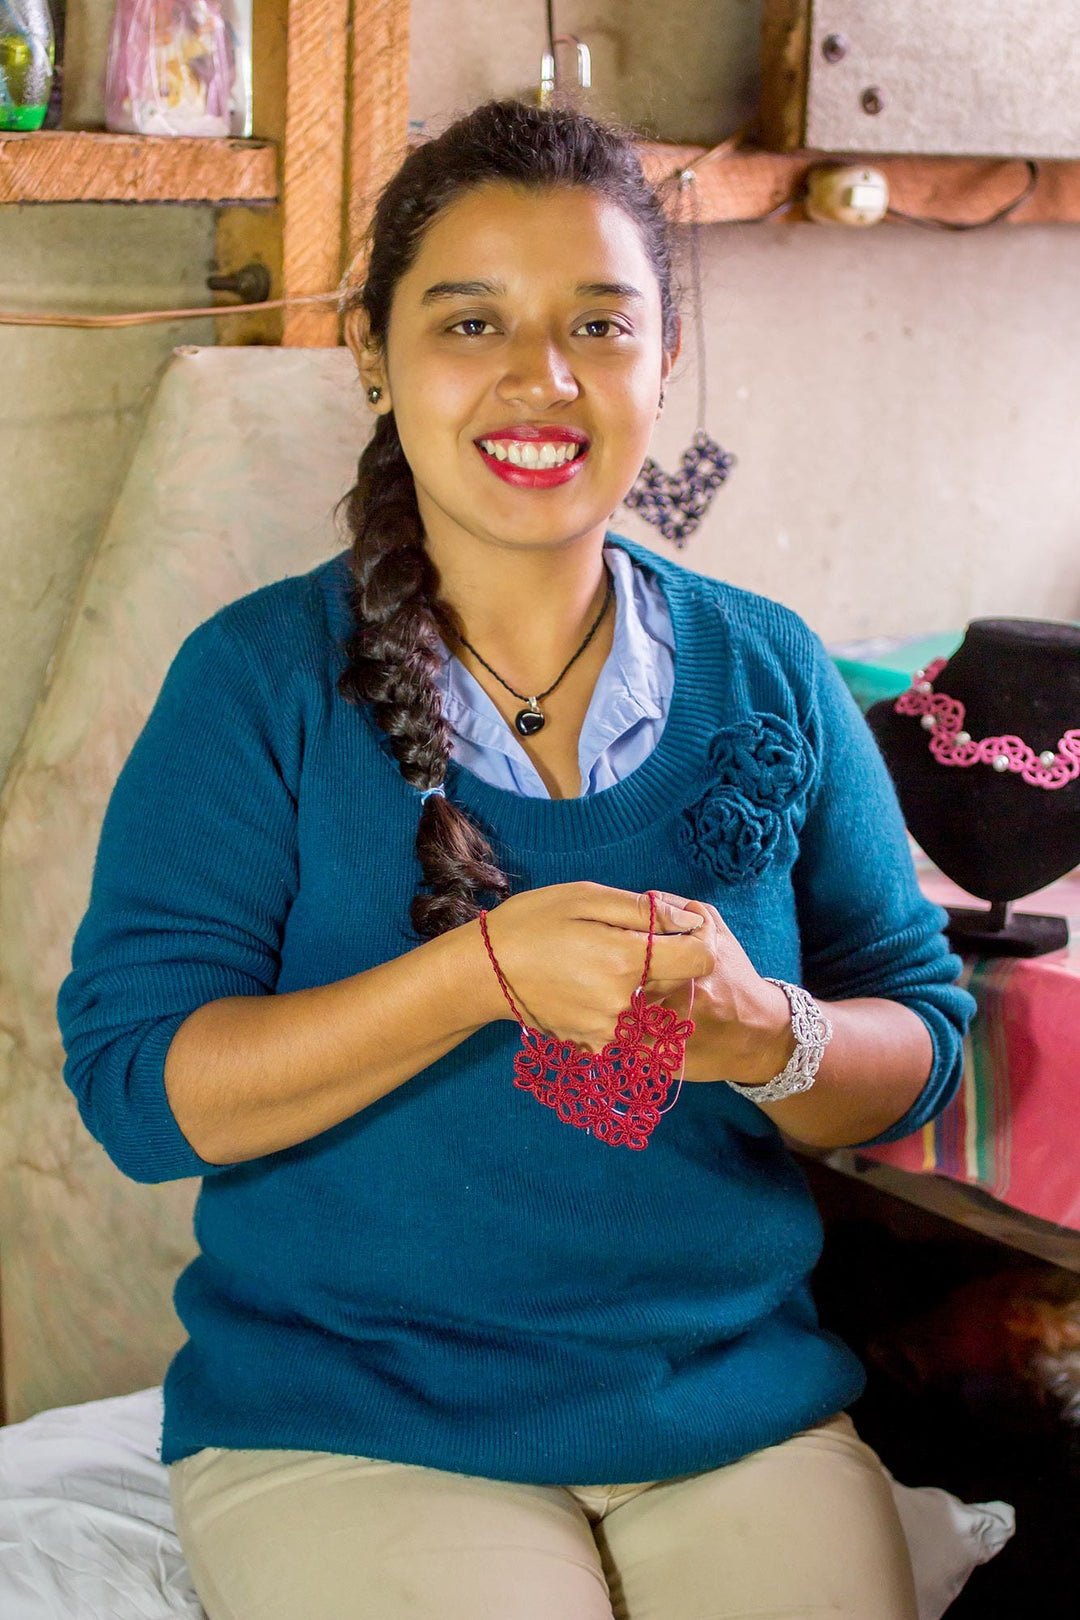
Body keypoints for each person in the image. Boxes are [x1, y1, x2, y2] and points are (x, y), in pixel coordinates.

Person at [56, 97, 974, 1620]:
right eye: (469, 319)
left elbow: (919, 1036)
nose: (539, 379)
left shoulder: (774, 673)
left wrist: (770, 1037)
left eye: (598, 325)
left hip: (726, 1414)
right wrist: (477, 977)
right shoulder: (259, 682)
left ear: (660, 359)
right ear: (377, 352)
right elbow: (144, 1095)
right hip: (354, 1423)